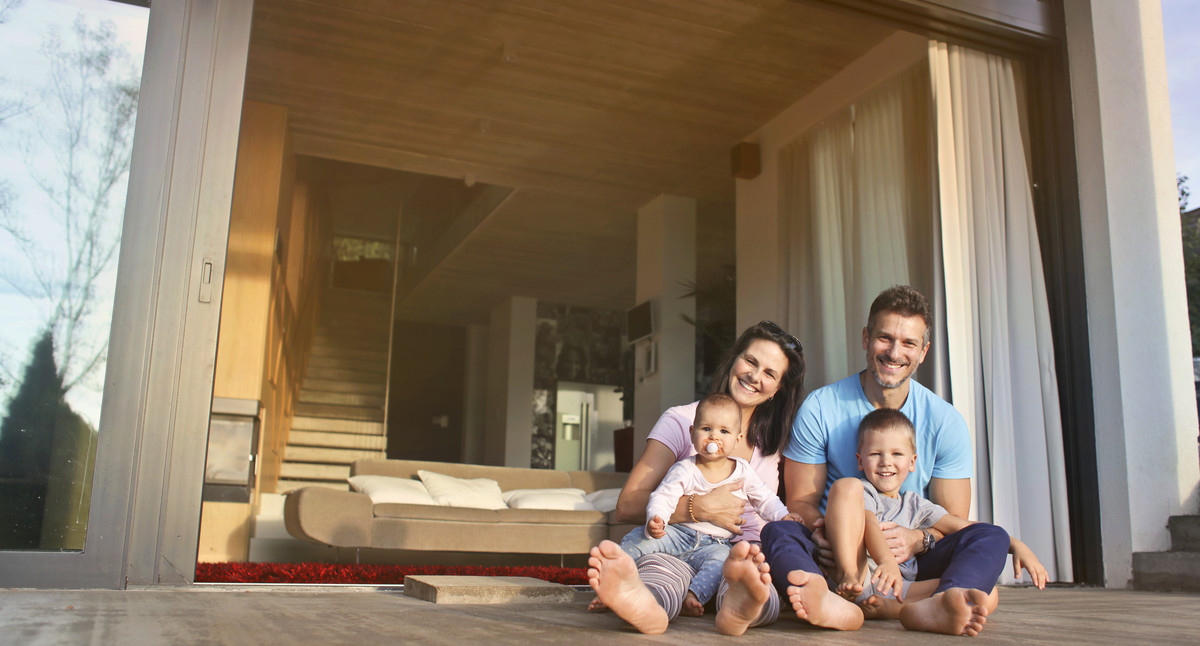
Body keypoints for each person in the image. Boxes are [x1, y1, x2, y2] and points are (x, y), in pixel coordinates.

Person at [725, 285, 974, 633]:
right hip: (834, 553)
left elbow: (953, 519)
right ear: (865, 338)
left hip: (909, 557)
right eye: (884, 338)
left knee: (978, 559)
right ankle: (833, 596)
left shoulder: (945, 421)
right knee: (779, 532)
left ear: (924, 351)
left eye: (908, 343)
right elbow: (800, 500)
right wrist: (829, 533)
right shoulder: (820, 407)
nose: (894, 352)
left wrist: (917, 539)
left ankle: (899, 604)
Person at [586, 321, 807, 635]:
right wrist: (698, 508)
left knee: (757, 582)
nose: (755, 376)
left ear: (778, 389)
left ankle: (739, 609)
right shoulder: (681, 421)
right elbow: (626, 505)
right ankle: (647, 606)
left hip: (742, 555)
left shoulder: (775, 442)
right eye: (750, 361)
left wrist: (793, 519)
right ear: (733, 360)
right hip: (679, 544)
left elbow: (779, 502)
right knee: (661, 576)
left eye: (770, 373)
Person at [823, 408, 1046, 636]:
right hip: (859, 579)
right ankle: (870, 590)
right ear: (860, 460)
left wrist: (1013, 543)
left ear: (912, 462)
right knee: (845, 485)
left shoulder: (915, 504)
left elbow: (966, 528)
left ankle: (916, 607)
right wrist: (887, 562)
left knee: (985, 593)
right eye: (875, 454)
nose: (886, 462)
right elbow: (869, 522)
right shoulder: (863, 491)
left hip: (902, 588)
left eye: (897, 454)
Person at [592, 394, 799, 627]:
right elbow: (664, 496)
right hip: (678, 535)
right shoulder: (685, 469)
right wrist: (656, 518)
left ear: (738, 439)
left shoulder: (743, 471)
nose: (714, 437)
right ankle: (612, 577)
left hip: (716, 544)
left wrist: (783, 515)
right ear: (692, 433)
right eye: (706, 428)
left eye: (724, 432)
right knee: (640, 538)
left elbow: (765, 499)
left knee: (722, 563)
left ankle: (694, 596)